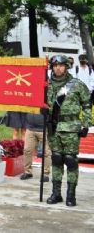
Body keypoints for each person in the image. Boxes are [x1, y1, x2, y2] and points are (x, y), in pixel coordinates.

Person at [45, 55, 91, 207]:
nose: (58, 68)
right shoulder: (46, 84)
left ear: (66, 67)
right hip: (53, 127)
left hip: (71, 128)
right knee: (56, 159)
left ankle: (71, 195)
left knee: (71, 161)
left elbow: (86, 104)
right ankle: (56, 193)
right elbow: (41, 103)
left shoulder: (76, 85)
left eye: (61, 65)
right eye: (55, 65)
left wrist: (85, 125)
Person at [20, 113, 51, 182]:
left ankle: (45, 174)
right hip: (30, 128)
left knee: (46, 152)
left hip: (44, 129)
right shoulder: (30, 101)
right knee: (27, 150)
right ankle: (28, 172)